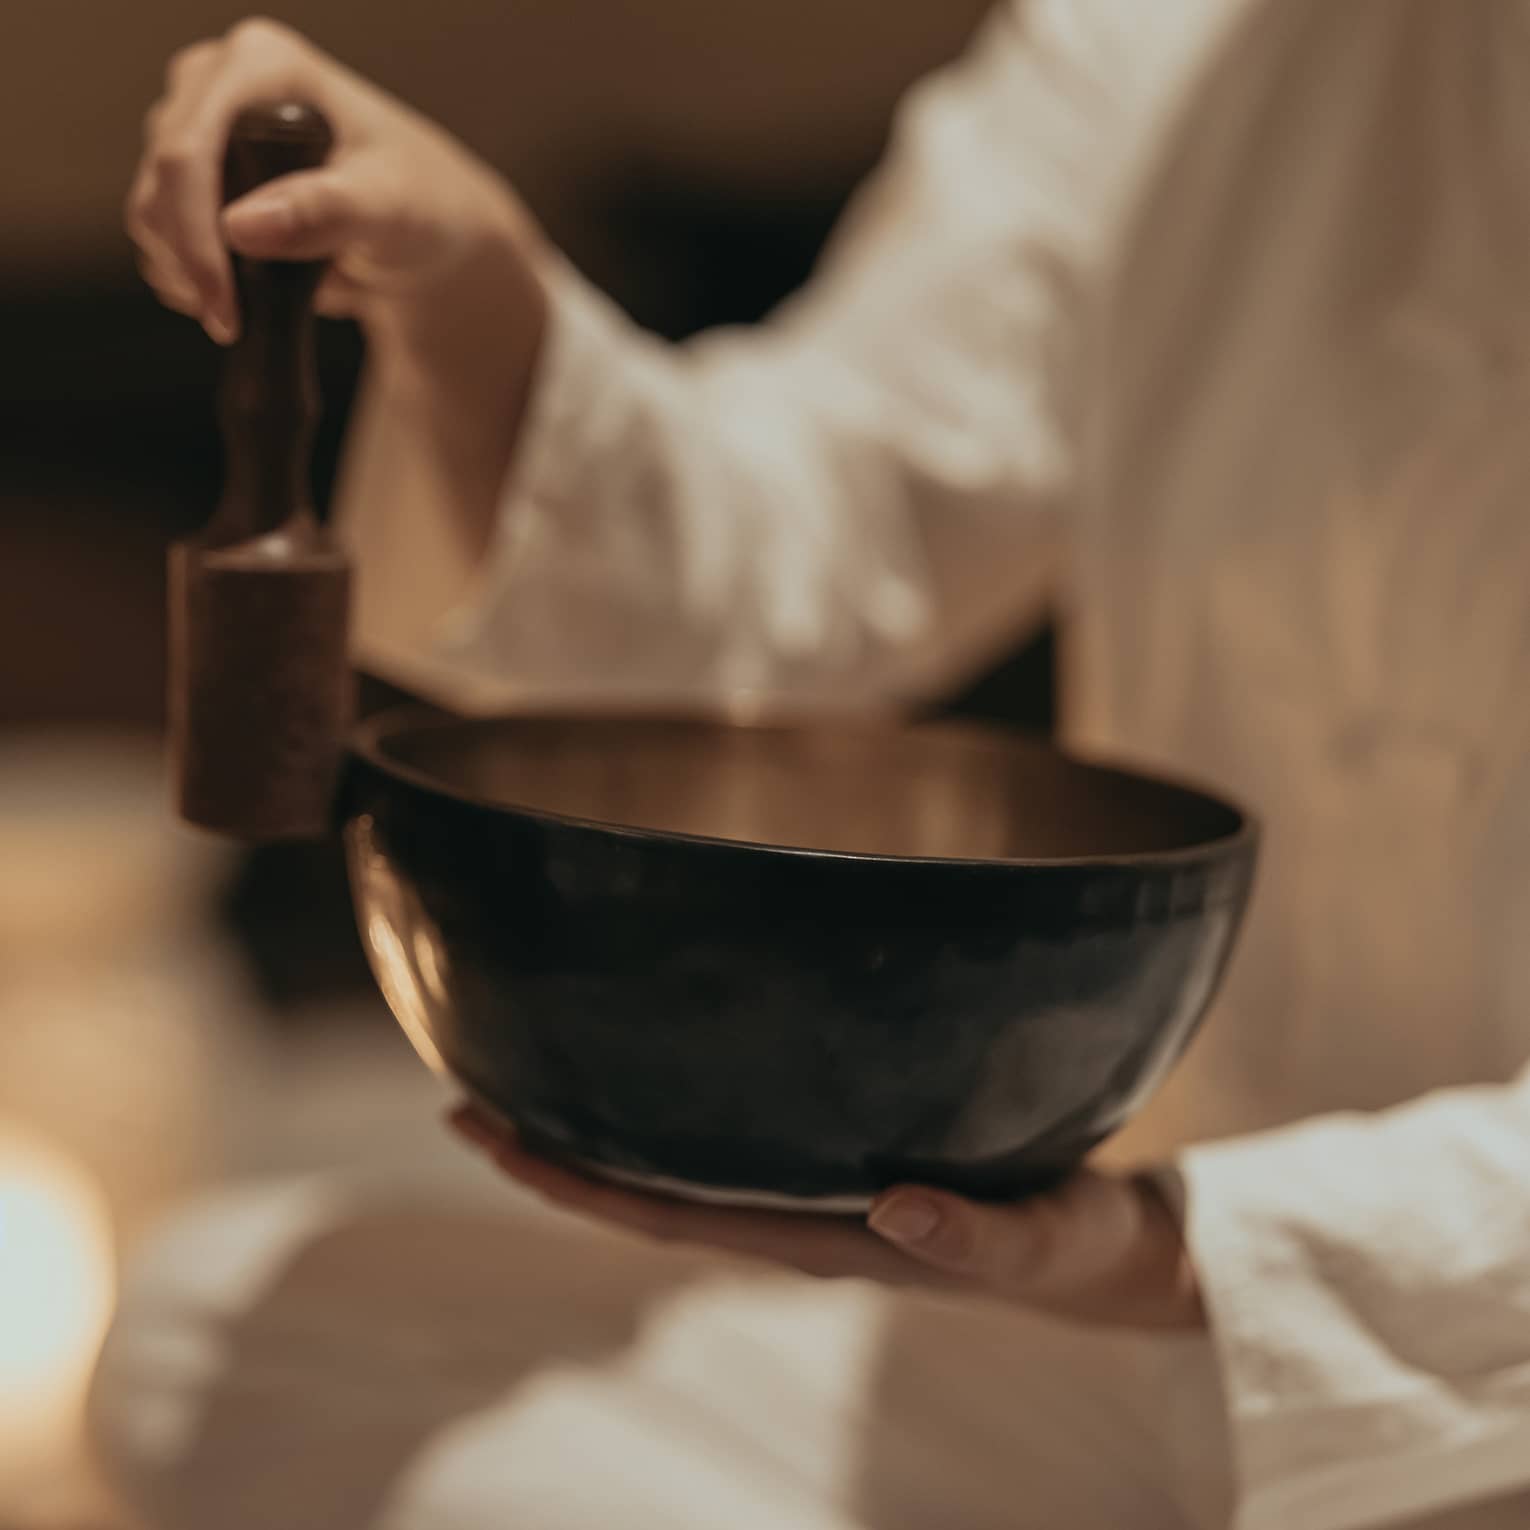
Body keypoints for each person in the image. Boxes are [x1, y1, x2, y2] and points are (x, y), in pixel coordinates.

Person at [100, 2, 1530, 1527]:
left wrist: (1168, 1256)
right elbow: (818, 537)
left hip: (1429, 1352)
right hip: (1147, 1326)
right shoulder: (1186, 36)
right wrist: (469, 294)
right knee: (218, 1331)